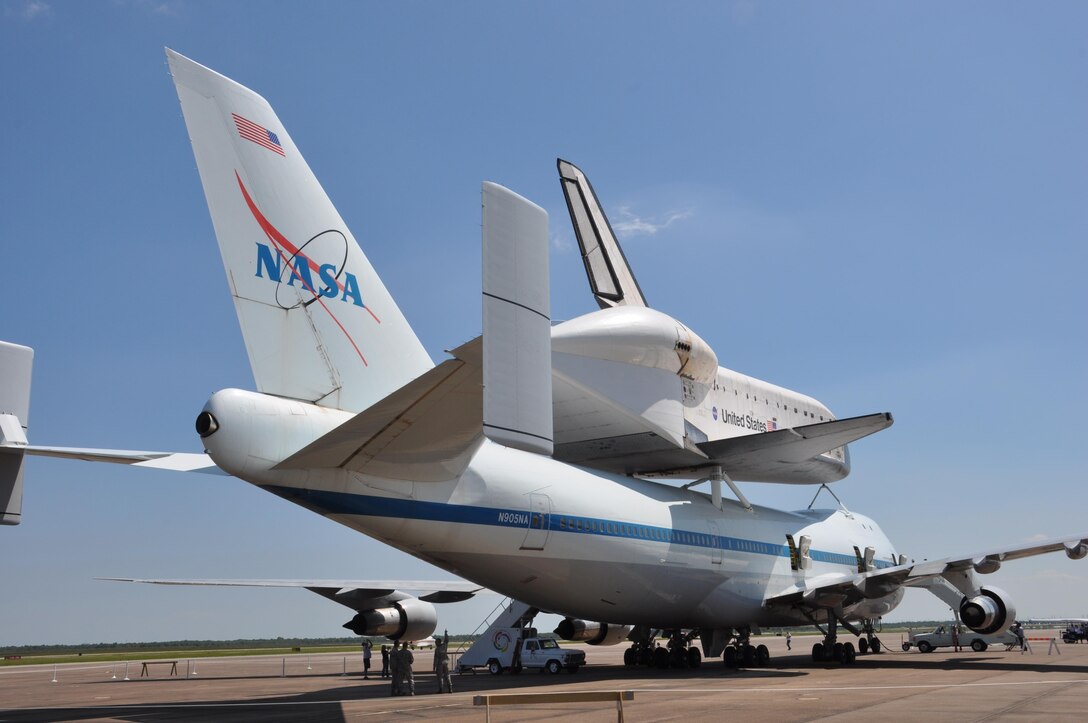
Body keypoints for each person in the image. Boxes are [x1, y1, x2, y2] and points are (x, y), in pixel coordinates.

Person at [433, 629, 453, 694]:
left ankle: (441, 689)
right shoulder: (444, 646)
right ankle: (450, 688)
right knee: (447, 675)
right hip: (445, 662)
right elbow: (446, 640)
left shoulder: (437, 649)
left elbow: (436, 658)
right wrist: (445, 633)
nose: (435, 643)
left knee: (440, 677)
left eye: (436, 642)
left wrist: (434, 666)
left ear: (438, 642)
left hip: (440, 664)